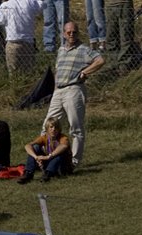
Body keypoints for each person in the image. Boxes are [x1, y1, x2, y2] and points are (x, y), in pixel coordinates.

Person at [45, 21, 104, 168]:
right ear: (64, 34)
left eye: (74, 32)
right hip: (58, 90)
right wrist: (54, 90)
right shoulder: (61, 50)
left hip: (73, 89)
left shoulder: (84, 49)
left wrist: (85, 72)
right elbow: (57, 71)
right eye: (69, 32)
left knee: (76, 127)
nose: (72, 35)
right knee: (48, 125)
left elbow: (100, 60)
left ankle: (74, 161)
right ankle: (46, 158)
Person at [0, 0, 42, 72]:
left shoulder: (6, 6)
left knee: (13, 72)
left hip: (13, 42)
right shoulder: (30, 2)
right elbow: (42, 6)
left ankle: (14, 82)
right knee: (28, 71)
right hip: (29, 42)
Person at [18, 117, 72, 184]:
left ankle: (48, 174)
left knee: (59, 154)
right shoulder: (45, 137)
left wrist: (48, 157)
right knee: (35, 147)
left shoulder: (63, 137)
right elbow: (27, 146)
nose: (53, 129)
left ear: (59, 129)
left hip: (62, 166)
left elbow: (63, 146)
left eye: (56, 127)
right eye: (51, 127)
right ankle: (28, 173)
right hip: (50, 163)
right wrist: (36, 157)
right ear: (47, 129)